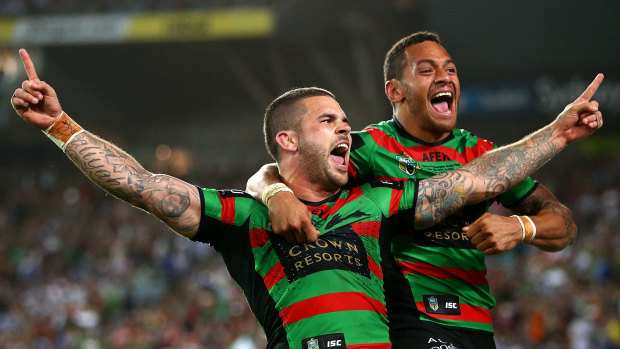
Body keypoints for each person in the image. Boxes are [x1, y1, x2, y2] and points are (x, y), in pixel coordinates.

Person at [11, 47, 602, 349]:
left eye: (347, 119)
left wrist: (557, 132)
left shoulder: (377, 203)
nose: (347, 129)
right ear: (288, 140)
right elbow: (141, 185)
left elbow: (477, 180)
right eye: (329, 120)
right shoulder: (244, 216)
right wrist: (61, 127)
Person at [246, 32, 604, 348]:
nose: (444, 77)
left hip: (476, 324)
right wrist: (277, 194)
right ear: (395, 90)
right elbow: (275, 170)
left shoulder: (482, 155)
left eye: (450, 69)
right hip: (410, 320)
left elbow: (564, 225)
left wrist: (521, 227)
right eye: (427, 70)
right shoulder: (370, 147)